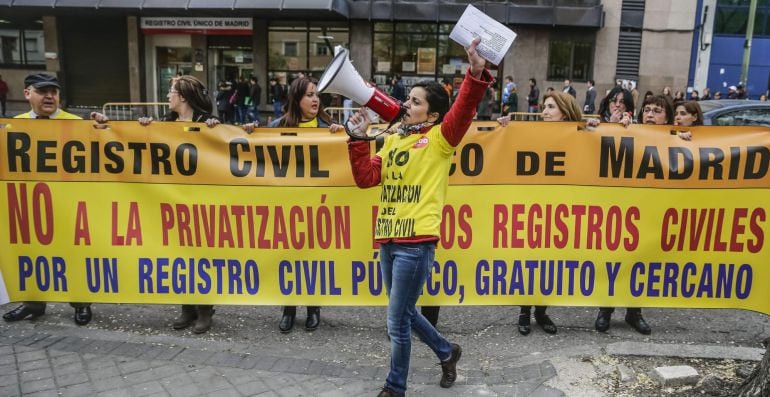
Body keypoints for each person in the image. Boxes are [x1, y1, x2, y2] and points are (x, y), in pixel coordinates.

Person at [346, 37, 491, 397]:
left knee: (396, 322)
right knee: (406, 314)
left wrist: (474, 73)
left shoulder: (441, 139)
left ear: (433, 114)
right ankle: (447, 351)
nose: (405, 105)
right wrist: (357, 139)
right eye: (407, 99)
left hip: (416, 244)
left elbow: (464, 108)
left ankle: (395, 388)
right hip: (389, 240)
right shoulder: (394, 140)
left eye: (415, 102)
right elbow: (366, 179)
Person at [3, 73, 108, 326]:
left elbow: (104, 151)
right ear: (28, 94)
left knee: (74, 254)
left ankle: (80, 303)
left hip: (68, 205)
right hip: (30, 206)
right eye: (43, 91)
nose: (50, 96)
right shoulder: (13, 125)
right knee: (30, 254)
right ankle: (33, 304)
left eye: (54, 91)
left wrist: (104, 128)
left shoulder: (76, 123)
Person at [244, 76, 343, 331]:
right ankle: (288, 308)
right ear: (296, 99)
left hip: (318, 204)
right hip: (288, 204)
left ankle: (313, 307)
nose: (314, 100)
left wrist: (339, 135)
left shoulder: (328, 125)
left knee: (313, 257)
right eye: (309, 95)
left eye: (316, 95)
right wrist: (250, 133)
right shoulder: (277, 125)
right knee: (288, 255)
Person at [137, 75, 220, 334]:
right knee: (179, 255)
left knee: (200, 257)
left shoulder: (207, 124)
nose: (168, 96)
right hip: (173, 201)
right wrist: (144, 128)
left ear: (183, 96)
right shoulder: (165, 124)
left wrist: (218, 128)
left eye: (171, 91)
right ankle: (187, 308)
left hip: (200, 201)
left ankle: (205, 309)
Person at [502, 91, 579, 335]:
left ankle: (542, 311)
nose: (544, 112)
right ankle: (525, 312)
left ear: (564, 113)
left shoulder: (580, 136)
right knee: (530, 261)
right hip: (532, 207)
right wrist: (502, 128)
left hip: (561, 210)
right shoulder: (530, 133)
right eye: (544, 107)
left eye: (550, 107)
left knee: (551, 262)